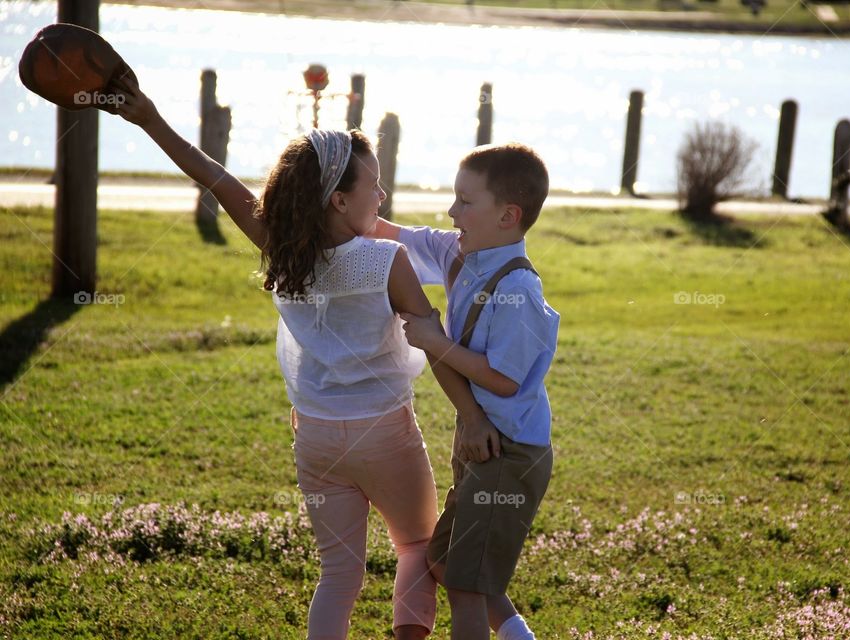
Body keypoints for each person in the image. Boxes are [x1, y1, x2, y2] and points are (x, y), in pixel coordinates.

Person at [110, 76, 494, 640]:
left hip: (314, 437)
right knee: (416, 545)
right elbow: (432, 348)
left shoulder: (280, 247)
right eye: (374, 187)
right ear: (340, 199)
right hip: (383, 433)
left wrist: (148, 118)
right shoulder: (386, 261)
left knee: (337, 574)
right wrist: (472, 414)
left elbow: (213, 176)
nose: (381, 198)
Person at [372, 143, 560, 640]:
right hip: (481, 444)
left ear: (507, 216)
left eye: (464, 201)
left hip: (510, 452)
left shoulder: (518, 289)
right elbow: (385, 235)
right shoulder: (457, 252)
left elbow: (504, 378)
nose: (451, 211)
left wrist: (435, 341)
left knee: (466, 586)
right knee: (444, 560)